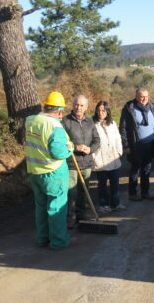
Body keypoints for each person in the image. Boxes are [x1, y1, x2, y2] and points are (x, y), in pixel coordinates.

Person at [25, 91, 74, 249]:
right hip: (53, 172)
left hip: (35, 172)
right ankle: (58, 241)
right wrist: (71, 148)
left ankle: (42, 238)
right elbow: (58, 152)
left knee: (41, 207)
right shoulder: (55, 126)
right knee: (56, 207)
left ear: (45, 106)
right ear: (59, 111)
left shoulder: (30, 120)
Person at [62, 95, 100, 228]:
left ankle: (81, 215)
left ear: (86, 107)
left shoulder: (90, 122)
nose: (79, 107)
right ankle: (70, 217)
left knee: (84, 191)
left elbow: (97, 140)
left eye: (82, 105)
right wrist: (75, 147)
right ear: (72, 105)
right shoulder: (65, 121)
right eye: (76, 104)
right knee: (71, 192)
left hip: (86, 163)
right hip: (71, 164)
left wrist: (90, 149)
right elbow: (61, 142)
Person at [120, 88, 154, 201]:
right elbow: (123, 128)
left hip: (150, 144)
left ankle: (145, 193)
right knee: (135, 169)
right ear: (136, 97)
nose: (144, 99)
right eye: (142, 96)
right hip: (136, 145)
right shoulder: (129, 109)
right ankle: (133, 194)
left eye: (146, 96)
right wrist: (126, 145)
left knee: (147, 169)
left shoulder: (151, 107)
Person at [92, 101, 125, 213]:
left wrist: (119, 152)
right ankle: (103, 204)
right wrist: (93, 157)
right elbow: (90, 142)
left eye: (103, 110)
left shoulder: (112, 124)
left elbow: (118, 138)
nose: (101, 113)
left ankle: (116, 203)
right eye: (99, 110)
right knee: (102, 184)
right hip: (100, 159)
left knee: (115, 183)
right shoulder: (92, 124)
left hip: (113, 158)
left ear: (108, 112)